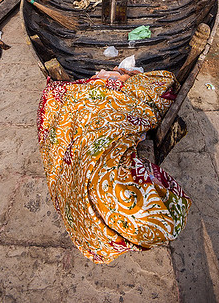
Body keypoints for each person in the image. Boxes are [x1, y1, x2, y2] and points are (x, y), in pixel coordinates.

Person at [37, 68, 191, 264]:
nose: (155, 176)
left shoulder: (114, 186)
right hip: (104, 116)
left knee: (64, 104)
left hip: (97, 112)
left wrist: (117, 78)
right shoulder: (101, 241)